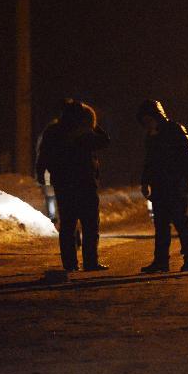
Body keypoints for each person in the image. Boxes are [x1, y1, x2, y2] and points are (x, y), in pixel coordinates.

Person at [35, 100, 110, 271]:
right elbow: (105, 141)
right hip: (86, 183)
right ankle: (91, 263)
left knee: (68, 226)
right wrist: (93, 124)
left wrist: (41, 174)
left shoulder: (53, 131)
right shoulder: (83, 132)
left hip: (63, 184)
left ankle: (70, 265)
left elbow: (43, 155)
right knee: (90, 225)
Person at [137, 100, 188, 273]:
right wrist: (145, 181)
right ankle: (161, 261)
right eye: (144, 121)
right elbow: (149, 161)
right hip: (159, 186)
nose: (147, 123)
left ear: (156, 116)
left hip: (175, 184)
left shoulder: (175, 129)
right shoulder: (151, 135)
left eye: (149, 119)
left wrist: (186, 178)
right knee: (161, 225)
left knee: (181, 222)